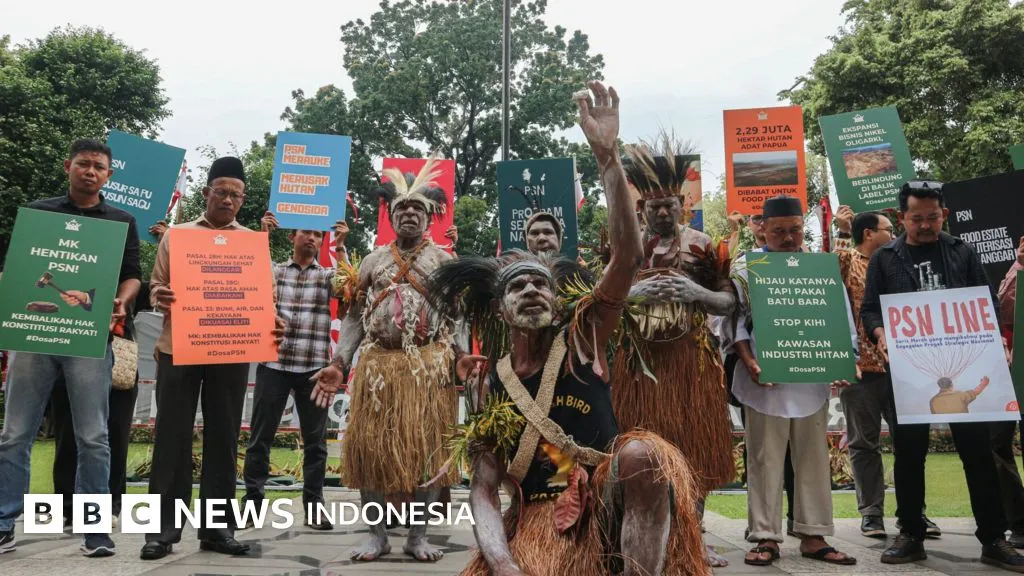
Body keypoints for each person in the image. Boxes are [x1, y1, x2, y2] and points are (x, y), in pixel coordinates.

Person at [425, 80, 708, 576]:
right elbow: (483, 489)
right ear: (501, 311)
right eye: (517, 286)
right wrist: (503, 563)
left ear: (559, 306)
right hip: (536, 523)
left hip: (605, 506)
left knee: (644, 454)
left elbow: (627, 257)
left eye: (541, 283)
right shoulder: (491, 381)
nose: (531, 290)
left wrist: (607, 158)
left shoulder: (582, 340)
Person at [861, 180, 1024, 570]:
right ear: (902, 217)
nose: (924, 226)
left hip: (965, 367)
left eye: (932, 218)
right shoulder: (885, 258)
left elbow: (986, 301)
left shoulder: (961, 251)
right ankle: (911, 533)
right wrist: (881, 333)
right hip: (909, 371)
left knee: (978, 454)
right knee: (909, 454)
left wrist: (997, 342)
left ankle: (993, 539)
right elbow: (870, 309)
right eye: (916, 218)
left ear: (944, 215)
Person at [311, 157, 457, 563]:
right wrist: (340, 362)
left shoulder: (444, 263)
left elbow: (457, 316)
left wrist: (462, 357)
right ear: (391, 217)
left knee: (428, 451)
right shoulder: (373, 262)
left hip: (427, 369)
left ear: (429, 217)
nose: (409, 214)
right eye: (401, 209)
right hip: (378, 369)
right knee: (371, 450)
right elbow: (354, 316)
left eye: (417, 209)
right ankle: (377, 536)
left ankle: (418, 536)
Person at [0, 138, 142, 557]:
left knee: (94, 436)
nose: (90, 171)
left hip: (89, 340)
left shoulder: (121, 221)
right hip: (34, 338)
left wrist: (120, 300)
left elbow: (132, 274)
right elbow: (16, 269)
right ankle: (3, 521)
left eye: (99, 166)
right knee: (14, 434)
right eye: (83, 164)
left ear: (108, 175)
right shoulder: (39, 213)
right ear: (68, 166)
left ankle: (94, 529)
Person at [140, 157, 285, 561]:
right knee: (171, 438)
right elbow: (156, 284)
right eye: (221, 192)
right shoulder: (178, 236)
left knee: (224, 436)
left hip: (232, 347)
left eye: (236, 195)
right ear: (206, 193)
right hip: (179, 347)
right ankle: (161, 533)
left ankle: (217, 530)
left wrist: (273, 323)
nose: (227, 200)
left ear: (243, 200)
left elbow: (267, 298)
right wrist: (159, 295)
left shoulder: (252, 243)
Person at [613, 133, 736, 567]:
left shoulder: (703, 244)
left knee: (694, 450)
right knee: (639, 451)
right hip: (639, 367)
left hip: (690, 364)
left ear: (682, 204)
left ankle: (694, 538)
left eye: (669, 205)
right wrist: (634, 294)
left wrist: (695, 291)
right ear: (641, 208)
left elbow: (729, 302)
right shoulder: (625, 248)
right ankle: (637, 535)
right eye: (654, 207)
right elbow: (601, 299)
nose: (662, 213)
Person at [729, 194, 858, 567]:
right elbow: (733, 322)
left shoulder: (819, 268)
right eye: (779, 231)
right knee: (764, 461)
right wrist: (749, 361)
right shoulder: (747, 268)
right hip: (763, 384)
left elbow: (841, 317)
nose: (788, 238)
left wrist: (845, 360)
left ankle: (814, 535)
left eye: (795, 230)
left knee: (814, 459)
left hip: (810, 383)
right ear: (763, 229)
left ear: (804, 229)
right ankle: (765, 537)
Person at [240, 212, 349, 530]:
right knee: (260, 438)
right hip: (273, 365)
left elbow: (348, 289)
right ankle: (252, 506)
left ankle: (314, 508)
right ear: (292, 236)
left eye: (318, 234)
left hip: (314, 369)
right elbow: (251, 277)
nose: (312, 238)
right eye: (305, 232)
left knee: (316, 443)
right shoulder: (275, 271)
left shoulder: (327, 276)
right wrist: (262, 234)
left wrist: (341, 246)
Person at [997, 237, 1024, 547]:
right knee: (997, 443)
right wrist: (1020, 265)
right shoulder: (1018, 269)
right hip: (1011, 372)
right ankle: (1019, 521)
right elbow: (1004, 308)